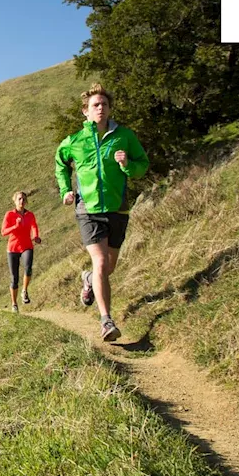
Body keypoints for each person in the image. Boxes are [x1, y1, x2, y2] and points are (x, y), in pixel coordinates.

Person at [54, 83, 150, 342]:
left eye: (104, 104)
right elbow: (60, 163)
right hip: (88, 210)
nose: (101, 108)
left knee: (109, 266)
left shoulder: (124, 137)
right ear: (85, 111)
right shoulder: (74, 141)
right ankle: (106, 320)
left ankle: (87, 279)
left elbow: (143, 165)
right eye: (95, 105)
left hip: (117, 208)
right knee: (101, 262)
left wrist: (127, 164)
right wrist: (65, 189)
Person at [0, 191, 40, 311]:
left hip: (27, 246)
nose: (21, 201)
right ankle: (14, 304)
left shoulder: (30, 215)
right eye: (19, 199)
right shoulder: (9, 215)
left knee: (28, 268)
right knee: (14, 278)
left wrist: (36, 236)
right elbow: (3, 232)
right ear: (15, 201)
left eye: (23, 199)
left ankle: (24, 290)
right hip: (12, 248)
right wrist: (14, 227)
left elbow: (34, 226)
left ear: (26, 201)